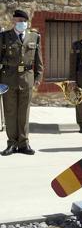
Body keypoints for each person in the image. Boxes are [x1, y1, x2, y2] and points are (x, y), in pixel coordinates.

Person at [0, 10, 43, 156]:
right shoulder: (4, 37)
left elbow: (38, 59)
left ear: (27, 22)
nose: (21, 23)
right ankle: (11, 143)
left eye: (23, 21)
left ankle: (24, 143)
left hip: (27, 78)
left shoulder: (35, 37)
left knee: (24, 112)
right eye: (18, 20)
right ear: (13, 21)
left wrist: (37, 78)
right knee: (10, 112)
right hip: (8, 79)